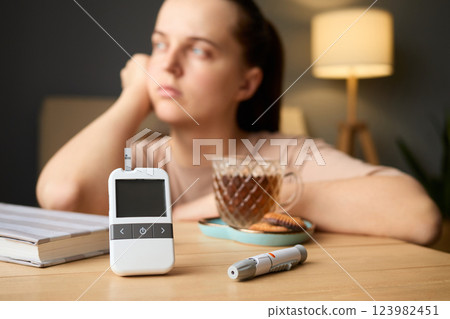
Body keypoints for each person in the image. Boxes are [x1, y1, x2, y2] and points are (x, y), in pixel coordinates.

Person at [36, 0, 441, 245]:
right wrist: (133, 96)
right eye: (159, 44)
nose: (168, 64)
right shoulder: (136, 159)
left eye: (198, 50)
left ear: (246, 82)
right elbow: (62, 193)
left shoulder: (283, 156)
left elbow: (419, 217)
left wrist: (257, 199)